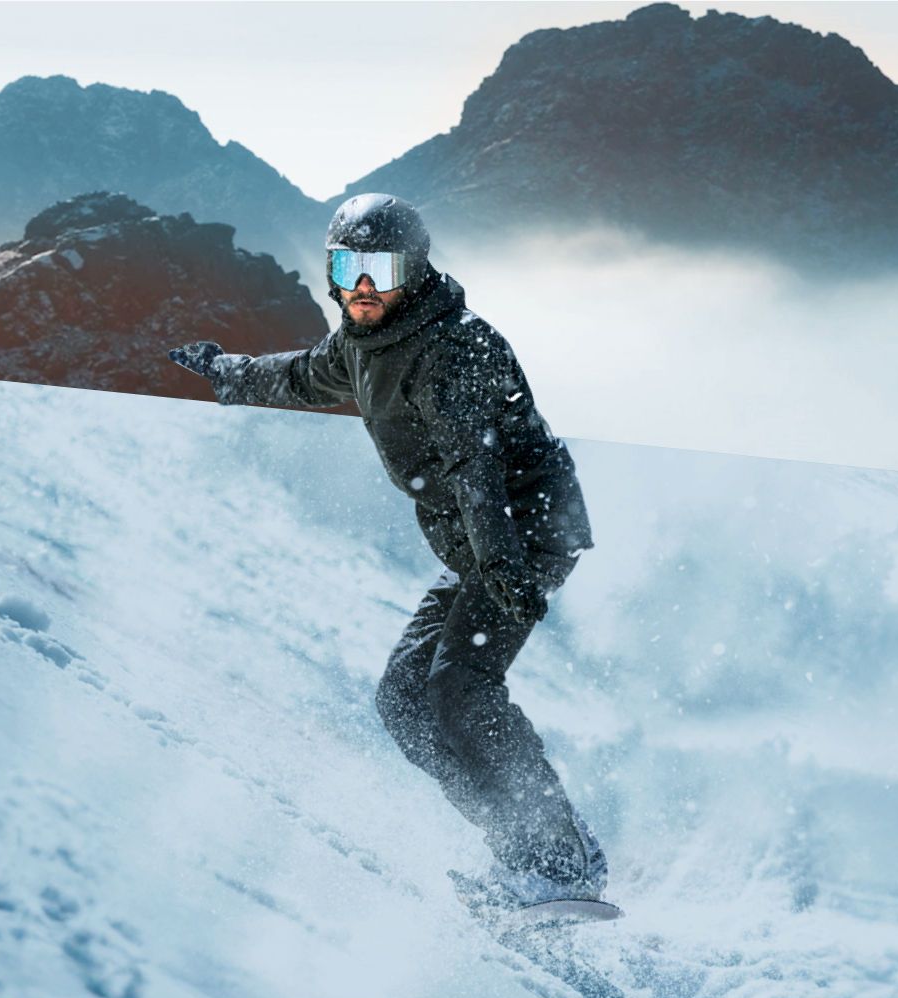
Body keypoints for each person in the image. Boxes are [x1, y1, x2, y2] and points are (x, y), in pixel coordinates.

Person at [167, 193, 607, 905]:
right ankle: (522, 847)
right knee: (404, 699)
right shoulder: (364, 343)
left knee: (461, 687)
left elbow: (476, 463)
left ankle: (560, 859)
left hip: (521, 532)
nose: (364, 287)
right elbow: (303, 377)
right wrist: (225, 371)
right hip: (477, 541)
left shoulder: (453, 346)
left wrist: (501, 567)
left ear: (416, 269)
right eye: (349, 267)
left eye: (382, 269)